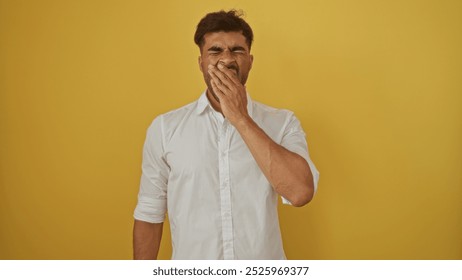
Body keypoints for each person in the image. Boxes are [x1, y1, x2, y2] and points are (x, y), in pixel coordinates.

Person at [133, 10, 319, 260]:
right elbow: (149, 213)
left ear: (250, 61)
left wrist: (241, 118)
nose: (227, 59)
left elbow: (300, 193)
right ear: (201, 63)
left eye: (237, 50)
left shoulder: (283, 122)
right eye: (215, 51)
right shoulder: (165, 128)